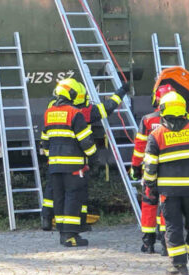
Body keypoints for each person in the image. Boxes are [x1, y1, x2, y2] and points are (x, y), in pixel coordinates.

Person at [40, 77, 127, 237]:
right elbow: (106, 109)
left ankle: (50, 221)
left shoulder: (50, 110)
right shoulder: (80, 112)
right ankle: (77, 226)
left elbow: (44, 139)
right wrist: (121, 92)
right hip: (76, 162)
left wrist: (50, 157)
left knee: (54, 192)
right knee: (76, 193)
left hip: (55, 161)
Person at [144, 92, 189, 275]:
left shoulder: (156, 135)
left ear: (162, 110)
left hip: (168, 192)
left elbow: (150, 167)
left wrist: (151, 187)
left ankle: (179, 266)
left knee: (173, 227)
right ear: (183, 110)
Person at [131, 83, 175, 254]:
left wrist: (135, 167)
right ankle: (166, 244)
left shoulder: (148, 119)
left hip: (150, 171)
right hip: (170, 172)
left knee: (149, 204)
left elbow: (139, 147)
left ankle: (148, 244)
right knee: (166, 205)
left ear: (157, 98)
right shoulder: (182, 121)